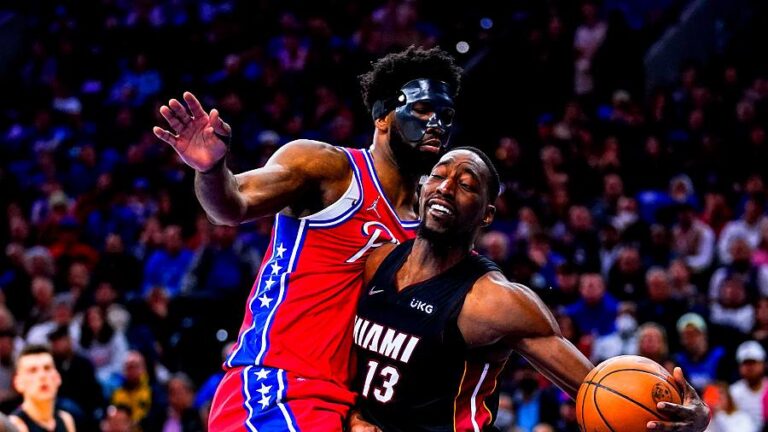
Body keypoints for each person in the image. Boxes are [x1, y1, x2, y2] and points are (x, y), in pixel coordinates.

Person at [153, 46, 461, 430]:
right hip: (275, 388)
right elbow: (232, 204)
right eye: (422, 110)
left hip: (346, 410)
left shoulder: (430, 232)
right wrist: (212, 169)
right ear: (382, 116)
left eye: (446, 116)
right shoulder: (328, 168)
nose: (436, 124)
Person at [348, 148, 710, 432]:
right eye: (439, 176)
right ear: (421, 189)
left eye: (466, 184)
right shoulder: (377, 261)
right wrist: (354, 416)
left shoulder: (495, 301)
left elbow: (598, 389)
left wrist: (686, 419)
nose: (446, 187)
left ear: (487, 215)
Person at [9, 345, 75, 432]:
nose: (42, 376)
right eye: (33, 370)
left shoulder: (66, 419)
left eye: (47, 368)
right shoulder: (15, 425)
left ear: (58, 378)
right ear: (18, 383)